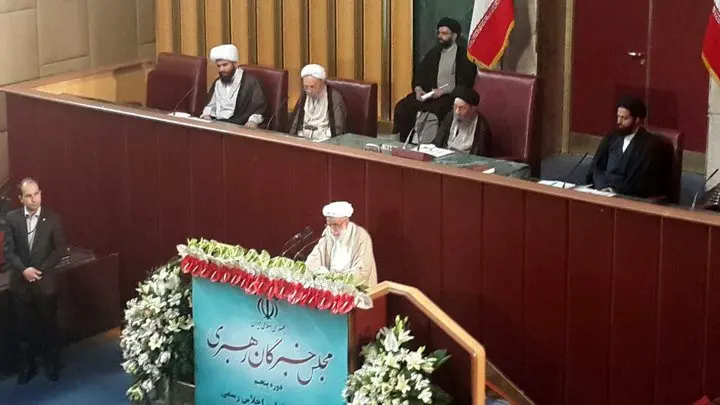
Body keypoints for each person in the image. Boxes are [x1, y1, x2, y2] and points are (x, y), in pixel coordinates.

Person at [4, 178, 66, 384]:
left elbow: (59, 249)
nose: (34, 199)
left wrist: (39, 270)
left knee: (50, 325)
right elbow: (9, 251)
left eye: (37, 194)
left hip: (45, 281)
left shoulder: (53, 218)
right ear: (20, 198)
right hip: (20, 283)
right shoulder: (11, 218)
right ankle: (27, 366)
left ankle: (52, 363)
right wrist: (24, 270)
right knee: (24, 328)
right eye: (28, 196)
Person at [393, 18, 478, 143]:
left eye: (444, 33)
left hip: (450, 96)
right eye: (439, 33)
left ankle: (429, 144)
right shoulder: (434, 53)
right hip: (430, 94)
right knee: (402, 106)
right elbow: (420, 74)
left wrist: (443, 91)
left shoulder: (463, 56)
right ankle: (401, 141)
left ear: (454, 36)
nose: (440, 36)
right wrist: (418, 89)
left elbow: (466, 82)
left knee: (436, 111)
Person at [586, 96, 673, 198]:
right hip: (603, 192)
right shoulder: (611, 137)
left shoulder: (650, 145)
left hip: (629, 196)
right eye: (618, 117)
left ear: (637, 120)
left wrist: (616, 191)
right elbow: (597, 168)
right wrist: (602, 187)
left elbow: (644, 180)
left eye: (624, 118)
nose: (619, 121)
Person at [306, 201, 377, 288]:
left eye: (336, 225)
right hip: (332, 288)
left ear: (346, 222)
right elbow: (313, 259)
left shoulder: (361, 236)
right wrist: (321, 272)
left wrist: (337, 278)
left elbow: (362, 271)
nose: (332, 229)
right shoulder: (328, 232)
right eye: (329, 225)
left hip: (357, 290)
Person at [200, 44, 267, 128]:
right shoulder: (218, 83)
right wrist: (206, 115)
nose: (221, 69)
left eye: (225, 65)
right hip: (217, 125)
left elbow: (258, 109)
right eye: (219, 66)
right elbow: (210, 106)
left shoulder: (250, 83)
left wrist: (252, 121)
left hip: (239, 126)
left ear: (235, 64)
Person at [288, 64, 347, 141]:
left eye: (312, 87)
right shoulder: (305, 95)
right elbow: (295, 124)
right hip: (302, 140)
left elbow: (338, 128)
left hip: (325, 141)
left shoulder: (334, 97)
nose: (309, 91)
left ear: (322, 83)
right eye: (306, 87)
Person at [432, 87, 491, 155]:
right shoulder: (451, 116)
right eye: (455, 107)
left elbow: (481, 154)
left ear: (472, 109)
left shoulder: (481, 125)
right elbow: (438, 142)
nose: (457, 112)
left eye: (462, 108)